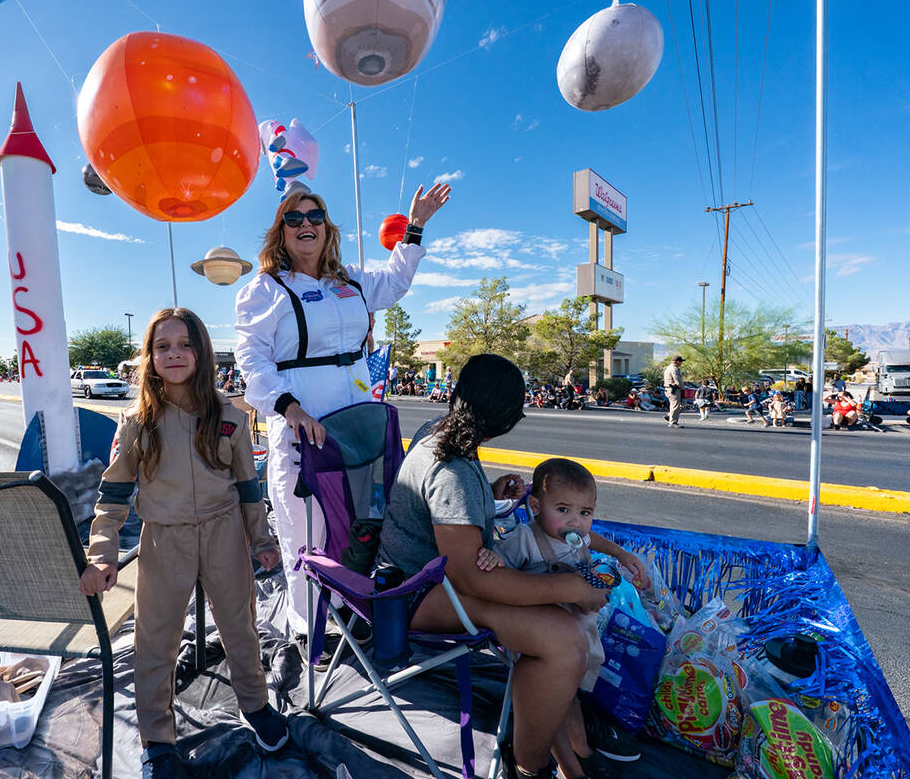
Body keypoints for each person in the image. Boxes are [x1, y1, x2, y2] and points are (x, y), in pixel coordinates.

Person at [376, 355, 635, 779]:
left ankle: (566, 745)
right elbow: (470, 576)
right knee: (564, 641)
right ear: (506, 418)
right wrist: (571, 588)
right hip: (413, 593)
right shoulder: (452, 467)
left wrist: (488, 497)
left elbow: (445, 513)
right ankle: (530, 766)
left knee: (561, 630)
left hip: (433, 577)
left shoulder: (441, 433)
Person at [234, 183, 450, 637]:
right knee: (305, 534)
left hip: (357, 425)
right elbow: (251, 359)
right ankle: (308, 630)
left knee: (358, 525)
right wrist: (288, 408)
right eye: (295, 218)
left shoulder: (350, 281)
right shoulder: (264, 290)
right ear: (281, 232)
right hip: (302, 429)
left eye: (314, 216)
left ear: (327, 228)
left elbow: (394, 284)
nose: (306, 224)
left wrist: (415, 228)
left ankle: (350, 614)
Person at [81, 308, 289, 779]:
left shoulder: (231, 416)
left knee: (240, 625)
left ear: (202, 352)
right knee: (156, 640)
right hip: (164, 540)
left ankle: (255, 706)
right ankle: (158, 738)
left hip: (224, 534)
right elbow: (113, 491)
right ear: (150, 357)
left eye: (184, 344)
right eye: (162, 346)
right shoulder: (137, 421)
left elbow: (247, 485)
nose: (174, 354)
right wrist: (102, 554)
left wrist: (261, 538)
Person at [476, 458, 648, 779]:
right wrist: (492, 555)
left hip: (578, 630)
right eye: (564, 510)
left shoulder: (576, 536)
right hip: (540, 639)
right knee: (553, 698)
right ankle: (568, 765)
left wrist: (621, 555)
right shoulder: (525, 539)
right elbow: (502, 559)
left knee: (571, 693)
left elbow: (591, 540)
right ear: (537, 506)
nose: (575, 523)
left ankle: (579, 749)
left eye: (585, 513)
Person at [662, 355, 685, 428]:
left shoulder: (671, 368)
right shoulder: (673, 369)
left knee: (683, 405)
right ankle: (673, 422)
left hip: (673, 389)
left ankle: (669, 416)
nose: (681, 363)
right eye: (681, 361)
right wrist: (682, 388)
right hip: (674, 389)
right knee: (675, 405)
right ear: (677, 361)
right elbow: (677, 380)